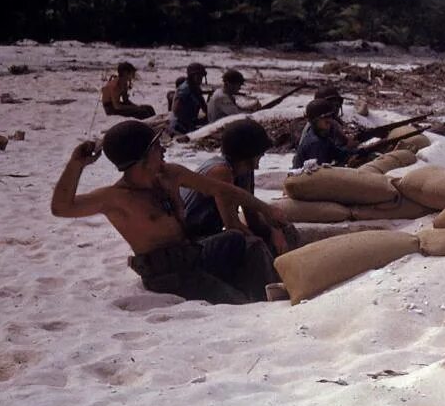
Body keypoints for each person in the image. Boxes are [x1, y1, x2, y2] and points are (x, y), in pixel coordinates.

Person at [50, 119, 288, 305]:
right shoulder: (116, 199)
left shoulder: (171, 174)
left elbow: (223, 190)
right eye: (156, 146)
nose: (162, 150)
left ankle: (273, 295)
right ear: (142, 157)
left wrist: (266, 209)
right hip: (169, 275)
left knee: (244, 243)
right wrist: (76, 165)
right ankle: (261, 302)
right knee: (236, 300)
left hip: (193, 253)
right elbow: (61, 208)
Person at [181, 118, 297, 255]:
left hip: (209, 235)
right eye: (259, 154)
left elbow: (252, 217)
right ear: (248, 154)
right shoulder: (220, 171)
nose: (260, 159)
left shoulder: (245, 171)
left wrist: (274, 230)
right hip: (191, 241)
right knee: (251, 245)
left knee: (283, 231)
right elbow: (232, 224)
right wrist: (261, 243)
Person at [292, 97, 352, 168]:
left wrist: (357, 151)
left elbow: (338, 153)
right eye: (325, 117)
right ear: (314, 120)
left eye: (330, 116)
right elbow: (319, 172)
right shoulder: (315, 143)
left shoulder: (323, 137)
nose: (329, 120)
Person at [168, 62, 209, 134]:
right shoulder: (184, 89)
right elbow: (176, 111)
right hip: (179, 127)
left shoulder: (196, 88)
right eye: (198, 76)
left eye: (201, 77)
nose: (200, 79)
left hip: (190, 124)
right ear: (191, 76)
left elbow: (204, 106)